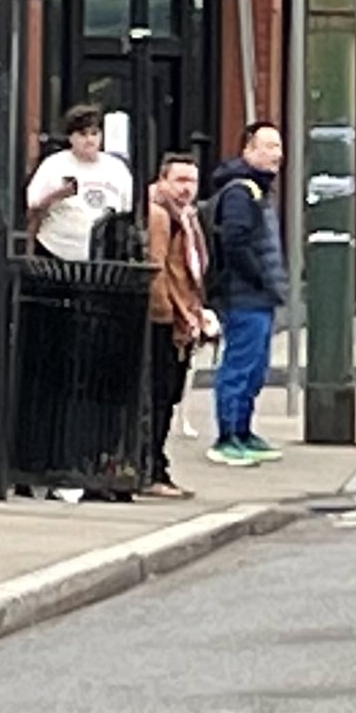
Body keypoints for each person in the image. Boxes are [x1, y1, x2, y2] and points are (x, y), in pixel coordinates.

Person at [205, 119, 289, 465]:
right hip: (244, 295)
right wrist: (259, 279)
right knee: (240, 365)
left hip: (257, 295)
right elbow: (236, 242)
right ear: (248, 150)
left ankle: (242, 430)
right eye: (267, 146)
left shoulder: (255, 190)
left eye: (278, 147)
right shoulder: (241, 193)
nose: (276, 155)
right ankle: (227, 436)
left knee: (255, 366)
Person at [141, 150, 214, 496]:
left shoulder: (186, 217)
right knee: (159, 394)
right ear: (162, 180)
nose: (186, 188)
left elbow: (190, 270)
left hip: (183, 313)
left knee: (168, 396)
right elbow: (158, 268)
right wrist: (171, 315)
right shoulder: (161, 217)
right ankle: (151, 468)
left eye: (192, 181)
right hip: (166, 319)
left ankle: (155, 465)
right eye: (179, 180)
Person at [26, 104, 132, 263]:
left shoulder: (117, 169)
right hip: (56, 254)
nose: (90, 140)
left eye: (94, 134)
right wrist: (57, 195)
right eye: (83, 134)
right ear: (70, 137)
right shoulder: (54, 165)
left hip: (103, 260)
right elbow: (33, 208)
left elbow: (126, 211)